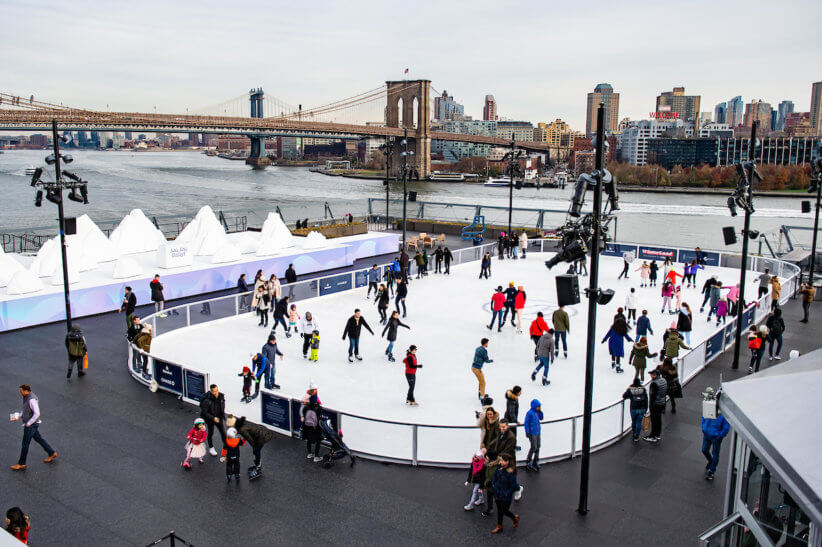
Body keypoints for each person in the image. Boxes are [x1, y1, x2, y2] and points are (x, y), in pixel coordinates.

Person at [10, 384, 58, 471]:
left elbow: (37, 414)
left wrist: (29, 423)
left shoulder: (32, 399)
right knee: (38, 438)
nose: (20, 393)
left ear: (26, 391)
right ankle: (51, 452)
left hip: (31, 425)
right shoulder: (26, 397)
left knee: (25, 444)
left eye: (21, 391)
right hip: (32, 425)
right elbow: (25, 410)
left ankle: (21, 463)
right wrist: (19, 416)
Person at [490, 454, 520, 534]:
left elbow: (513, 486)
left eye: (502, 461)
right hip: (497, 493)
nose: (500, 462)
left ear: (507, 462)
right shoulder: (499, 468)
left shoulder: (510, 473)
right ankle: (499, 526)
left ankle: (514, 518)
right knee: (499, 511)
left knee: (504, 510)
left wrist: (506, 493)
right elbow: (495, 477)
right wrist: (494, 484)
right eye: (500, 460)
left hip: (505, 496)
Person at [701, 411, 730, 481]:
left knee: (715, 454)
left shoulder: (723, 414)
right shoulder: (709, 408)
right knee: (704, 450)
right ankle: (711, 461)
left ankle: (711, 471)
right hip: (707, 434)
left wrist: (719, 435)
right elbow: (703, 417)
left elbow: (726, 427)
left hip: (716, 437)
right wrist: (704, 428)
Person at [200, 384, 227, 456]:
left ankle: (226, 446)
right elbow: (204, 413)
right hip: (210, 419)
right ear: (211, 391)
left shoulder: (221, 396)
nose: (216, 392)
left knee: (223, 433)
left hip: (219, 418)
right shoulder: (206, 400)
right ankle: (211, 447)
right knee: (211, 433)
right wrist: (213, 418)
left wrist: (222, 415)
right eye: (214, 391)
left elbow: (222, 404)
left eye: (217, 390)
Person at [300, 388, 323, 462]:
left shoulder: (306, 407)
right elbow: (319, 417)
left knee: (308, 440)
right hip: (315, 428)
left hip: (307, 427)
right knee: (318, 441)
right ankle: (316, 456)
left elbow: (303, 414)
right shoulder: (318, 408)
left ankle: (310, 453)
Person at [646, 369, 667, 443]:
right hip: (662, 403)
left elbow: (652, 396)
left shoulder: (654, 383)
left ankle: (652, 436)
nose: (650, 376)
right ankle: (657, 434)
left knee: (654, 420)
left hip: (655, 404)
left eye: (651, 374)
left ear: (654, 375)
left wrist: (650, 405)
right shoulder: (663, 380)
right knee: (658, 420)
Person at [523, 399, 543, 471]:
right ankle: (528, 461)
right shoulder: (529, 413)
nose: (539, 408)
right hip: (532, 433)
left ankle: (536, 461)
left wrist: (540, 412)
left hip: (537, 432)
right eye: (538, 406)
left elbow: (541, 418)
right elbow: (526, 423)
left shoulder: (537, 412)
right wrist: (527, 432)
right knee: (533, 447)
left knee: (538, 446)